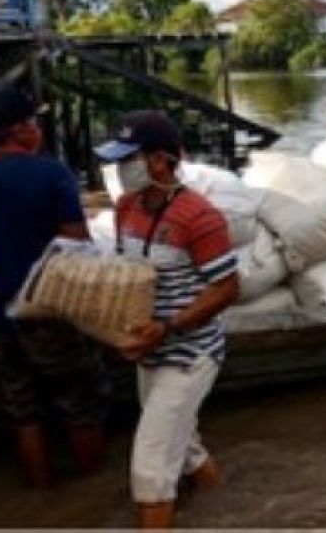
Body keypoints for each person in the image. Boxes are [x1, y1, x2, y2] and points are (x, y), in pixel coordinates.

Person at [0, 86, 110, 488]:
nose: (39, 129)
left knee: (24, 413)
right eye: (34, 122)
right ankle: (95, 499)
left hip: (0, 320)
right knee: (80, 408)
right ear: (20, 130)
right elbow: (78, 246)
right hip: (53, 316)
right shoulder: (51, 174)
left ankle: (42, 497)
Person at [95, 110, 240, 530]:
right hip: (150, 353)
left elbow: (227, 288)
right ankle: (227, 509)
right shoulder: (126, 208)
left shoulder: (200, 217)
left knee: (150, 467)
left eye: (129, 159)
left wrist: (168, 327)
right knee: (186, 446)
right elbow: (134, 277)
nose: (121, 169)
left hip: (189, 354)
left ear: (160, 161)